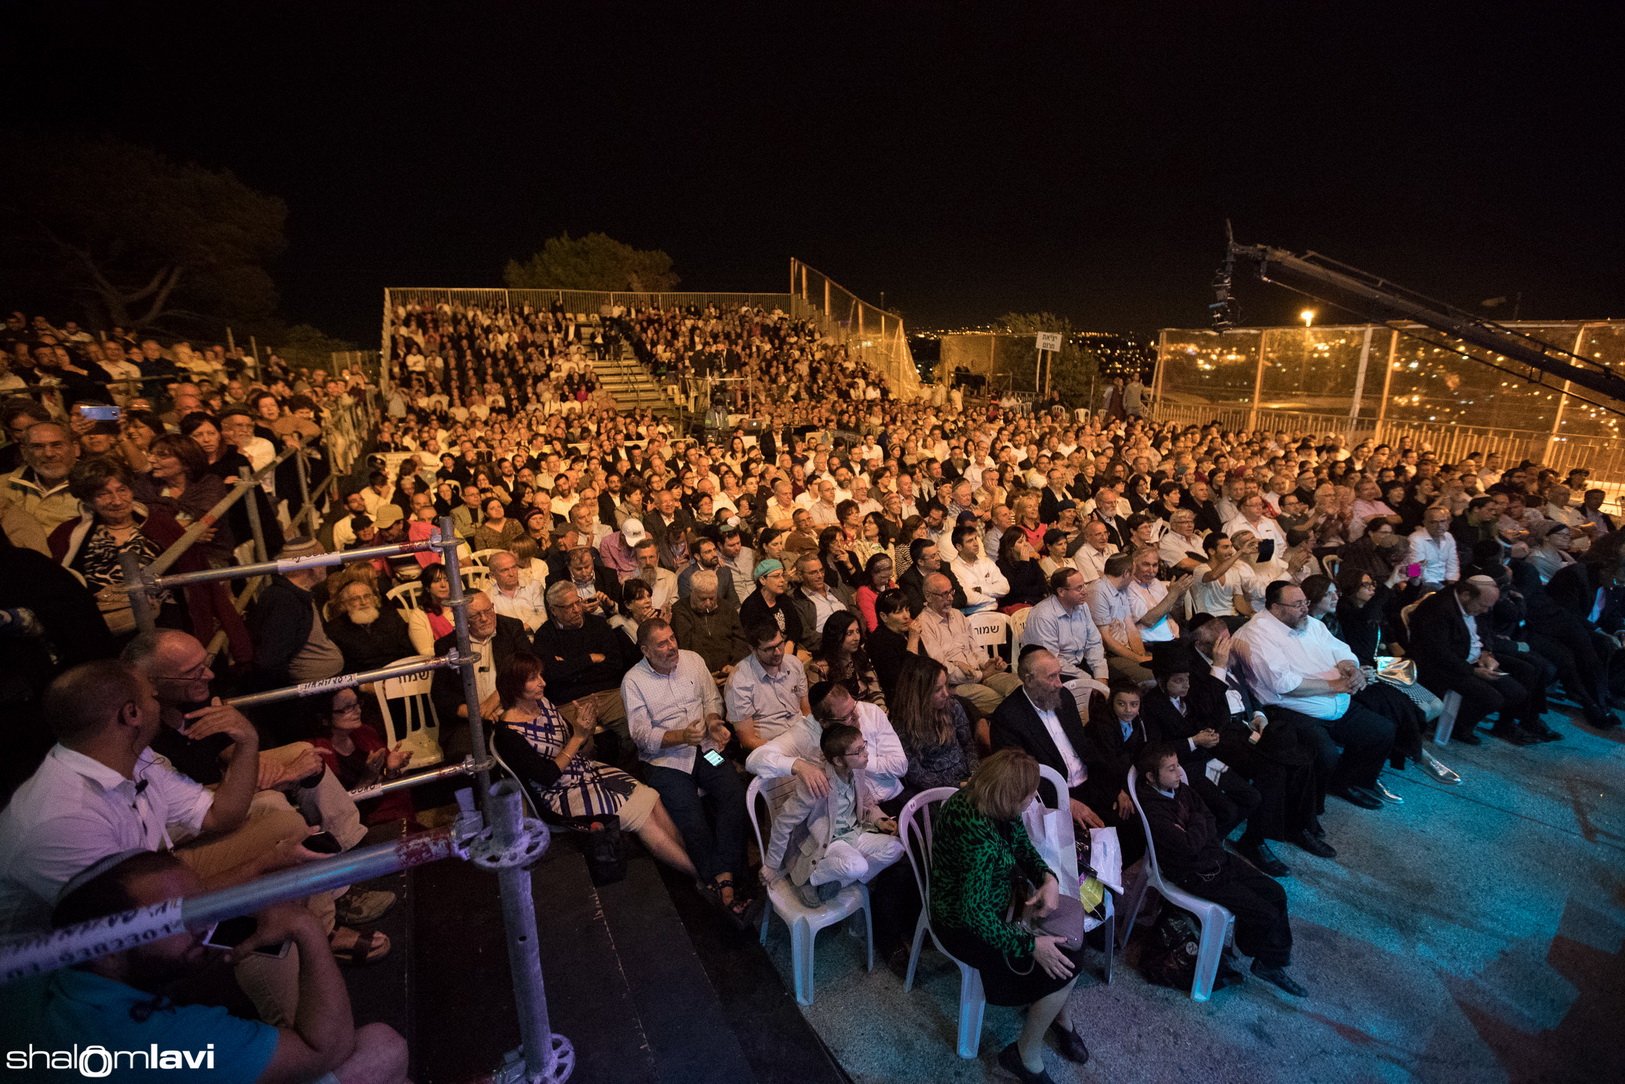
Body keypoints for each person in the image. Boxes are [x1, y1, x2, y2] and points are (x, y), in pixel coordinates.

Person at [0, 852, 410, 1084]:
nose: (206, 925)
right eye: (173, 919)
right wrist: (306, 928)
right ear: (108, 950)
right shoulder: (162, 1037)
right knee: (382, 1048)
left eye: (198, 906)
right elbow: (324, 1050)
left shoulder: (36, 974)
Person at [927, 749, 1090, 1081]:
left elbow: (1022, 846)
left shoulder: (993, 802)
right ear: (1010, 796)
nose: (1033, 800)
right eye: (1029, 795)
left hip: (999, 903)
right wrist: (1030, 946)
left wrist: (1048, 878)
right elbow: (975, 916)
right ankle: (1025, 1055)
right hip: (961, 925)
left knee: (1070, 948)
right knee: (1065, 963)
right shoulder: (978, 841)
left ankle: (1059, 1018)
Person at [494, 651, 695, 874]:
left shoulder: (543, 703)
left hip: (584, 771)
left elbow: (574, 742)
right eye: (533, 679)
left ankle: (694, 861)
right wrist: (578, 737)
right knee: (642, 818)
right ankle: (698, 875)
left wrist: (585, 728)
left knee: (651, 797)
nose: (543, 682)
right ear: (514, 685)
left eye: (540, 675)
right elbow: (547, 776)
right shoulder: (508, 733)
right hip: (559, 793)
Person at [1132, 744, 1305, 997]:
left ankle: (1257, 951)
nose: (1179, 772)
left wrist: (1195, 825)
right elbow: (1189, 845)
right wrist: (1197, 822)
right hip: (1196, 874)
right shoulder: (1154, 810)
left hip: (1216, 858)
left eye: (1178, 765)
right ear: (1151, 776)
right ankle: (1268, 963)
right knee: (1265, 913)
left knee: (1276, 892)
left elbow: (1210, 817)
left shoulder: (1180, 789)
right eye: (1171, 769)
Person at [621, 619, 754, 925]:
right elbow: (641, 735)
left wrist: (713, 722)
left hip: (707, 751)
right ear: (645, 651)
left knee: (733, 791)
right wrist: (681, 736)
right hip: (665, 761)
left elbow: (711, 699)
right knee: (689, 814)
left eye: (672, 638)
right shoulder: (634, 681)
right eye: (662, 644)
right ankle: (728, 880)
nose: (672, 647)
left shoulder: (692, 660)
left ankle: (722, 877)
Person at [1230, 581, 1397, 811]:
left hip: (1335, 698)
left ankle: (1347, 782)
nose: (1305, 609)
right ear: (1275, 607)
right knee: (1325, 756)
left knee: (1382, 731)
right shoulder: (1257, 633)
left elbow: (1339, 648)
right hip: (1291, 708)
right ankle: (1309, 809)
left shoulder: (1309, 623)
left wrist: (1350, 668)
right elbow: (1283, 684)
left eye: (1305, 602)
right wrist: (1334, 685)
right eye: (1297, 604)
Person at [762, 722, 904, 907]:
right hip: (829, 841)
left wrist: (879, 820)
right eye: (858, 751)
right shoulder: (817, 784)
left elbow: (867, 800)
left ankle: (838, 881)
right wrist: (772, 864)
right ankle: (810, 878)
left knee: (896, 848)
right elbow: (783, 822)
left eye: (864, 745)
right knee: (858, 866)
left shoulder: (857, 771)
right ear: (838, 761)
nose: (866, 753)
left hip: (854, 833)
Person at [1405, 578, 1546, 746]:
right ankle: (1458, 727)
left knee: (1519, 686)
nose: (1485, 611)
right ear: (1466, 594)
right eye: (1483, 606)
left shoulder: (1475, 605)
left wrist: (1487, 654)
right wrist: (1473, 671)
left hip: (1472, 657)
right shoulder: (1439, 609)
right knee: (1492, 698)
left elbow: (1485, 633)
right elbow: (1438, 652)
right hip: (1442, 665)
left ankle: (1505, 725)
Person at [746, 679, 909, 811]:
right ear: (824, 722)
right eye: (847, 716)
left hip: (893, 796)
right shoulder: (806, 732)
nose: (857, 716)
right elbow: (754, 759)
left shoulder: (871, 712)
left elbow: (900, 767)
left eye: (854, 706)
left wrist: (856, 758)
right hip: (855, 812)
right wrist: (799, 765)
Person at [531, 580, 640, 752]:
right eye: (569, 606)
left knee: (637, 731)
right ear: (553, 610)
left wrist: (569, 666)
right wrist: (590, 658)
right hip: (571, 701)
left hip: (608, 694)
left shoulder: (598, 624)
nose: (576, 609)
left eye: (577, 602)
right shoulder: (544, 636)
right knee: (578, 746)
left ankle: (627, 768)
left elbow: (615, 665)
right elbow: (551, 675)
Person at [917, 571, 1022, 714]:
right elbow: (941, 670)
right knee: (998, 700)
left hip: (980, 674)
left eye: (951, 592)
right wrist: (981, 675)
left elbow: (974, 648)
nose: (950, 598)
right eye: (944, 594)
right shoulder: (924, 624)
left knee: (1019, 685)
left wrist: (988, 663)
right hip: (955, 685)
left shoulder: (957, 615)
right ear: (928, 596)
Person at [246, 537, 345, 688]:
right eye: (324, 558)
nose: (328, 564)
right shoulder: (284, 602)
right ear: (313, 565)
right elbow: (270, 660)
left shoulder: (299, 594)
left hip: (323, 682)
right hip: (313, 689)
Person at [891, 654, 980, 794]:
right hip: (934, 791)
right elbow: (916, 774)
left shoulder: (952, 706)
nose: (946, 693)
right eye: (937, 690)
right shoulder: (902, 724)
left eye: (946, 685)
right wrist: (957, 785)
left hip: (966, 776)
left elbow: (968, 744)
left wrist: (974, 774)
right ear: (919, 694)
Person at [1021, 568, 1109, 707]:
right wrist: (1088, 680)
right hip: (1051, 672)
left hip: (1079, 663)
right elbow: (1050, 660)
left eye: (1084, 585)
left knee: (1120, 684)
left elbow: (1094, 643)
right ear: (1061, 591)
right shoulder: (1043, 615)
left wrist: (1100, 675)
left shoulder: (1082, 606)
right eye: (1079, 588)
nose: (1085, 591)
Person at [725, 621, 813, 749]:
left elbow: (806, 710)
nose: (778, 652)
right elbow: (748, 740)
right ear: (752, 649)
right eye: (769, 649)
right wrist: (786, 749)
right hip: (770, 747)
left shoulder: (794, 664)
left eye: (780, 644)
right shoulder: (739, 681)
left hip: (802, 736)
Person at [324, 576, 417, 674]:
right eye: (356, 599)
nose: (363, 602)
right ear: (346, 603)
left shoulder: (390, 617)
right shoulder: (335, 629)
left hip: (398, 673)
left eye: (367, 596)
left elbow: (408, 650)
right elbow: (341, 667)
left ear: (373, 598)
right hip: (364, 678)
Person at [671, 568, 750, 677]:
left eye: (712, 598)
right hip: (697, 673)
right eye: (702, 599)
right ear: (692, 592)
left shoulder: (727, 608)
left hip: (731, 670)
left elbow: (740, 640)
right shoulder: (679, 610)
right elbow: (687, 646)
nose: (708, 603)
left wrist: (734, 664)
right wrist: (706, 675)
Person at [810, 609, 887, 706]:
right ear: (835, 636)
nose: (856, 638)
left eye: (857, 631)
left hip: (867, 711)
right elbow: (823, 707)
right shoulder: (819, 668)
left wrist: (881, 710)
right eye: (849, 633)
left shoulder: (861, 657)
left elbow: (875, 693)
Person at [739, 557, 806, 655]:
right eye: (776, 576)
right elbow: (759, 641)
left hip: (788, 649)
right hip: (767, 653)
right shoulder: (751, 606)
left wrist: (790, 643)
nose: (782, 580)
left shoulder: (782, 597)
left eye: (782, 575)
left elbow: (796, 625)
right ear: (763, 580)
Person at [791, 551, 853, 651]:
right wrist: (838, 640)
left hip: (853, 640)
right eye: (813, 573)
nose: (820, 575)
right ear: (800, 575)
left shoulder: (838, 589)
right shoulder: (797, 601)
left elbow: (855, 612)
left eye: (821, 570)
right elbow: (806, 635)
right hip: (826, 649)